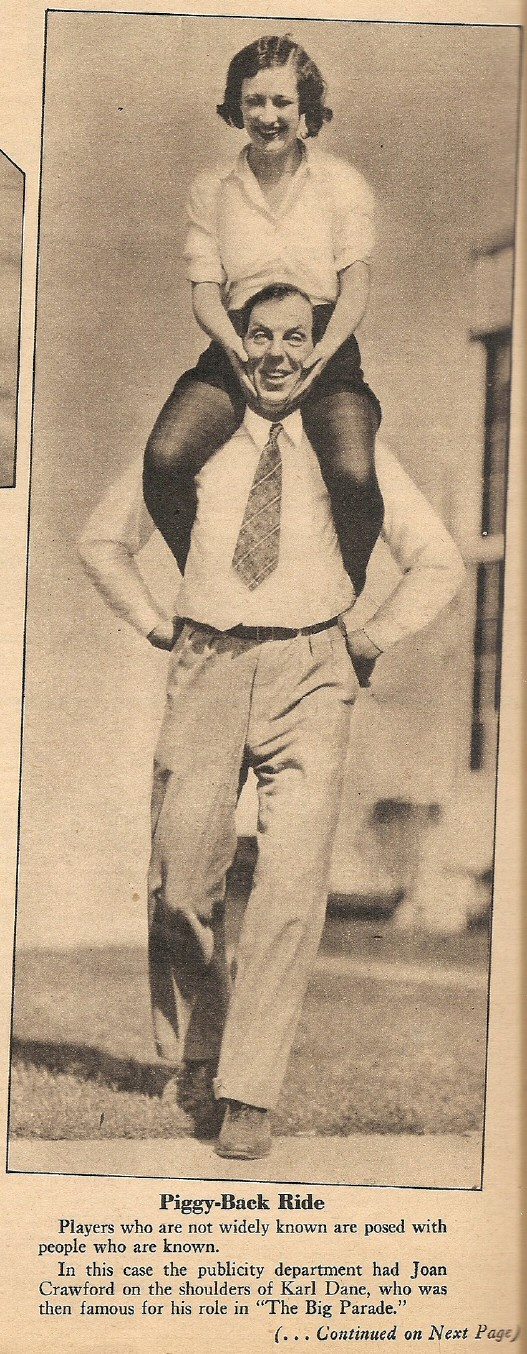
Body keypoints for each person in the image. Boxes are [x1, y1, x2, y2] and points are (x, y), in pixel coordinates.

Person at [79, 285, 465, 1161]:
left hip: (312, 674)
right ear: (236, 343)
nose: (279, 352)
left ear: (321, 350)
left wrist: (368, 639)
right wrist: (154, 623)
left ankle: (249, 1092)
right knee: (181, 881)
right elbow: (102, 540)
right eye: (262, 334)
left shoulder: (349, 446)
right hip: (208, 664)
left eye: (298, 336)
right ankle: (205, 1051)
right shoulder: (192, 446)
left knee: (290, 886)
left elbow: (436, 559)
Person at [143, 33, 384, 600]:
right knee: (165, 461)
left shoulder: (342, 184)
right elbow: (205, 293)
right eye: (255, 102)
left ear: (305, 110)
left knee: (353, 474)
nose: (268, 116)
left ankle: (343, 601)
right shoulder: (212, 190)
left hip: (323, 340)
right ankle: (214, 587)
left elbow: (356, 284)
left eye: (282, 103)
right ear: (237, 106)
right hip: (239, 339)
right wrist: (238, 350)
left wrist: (322, 352)